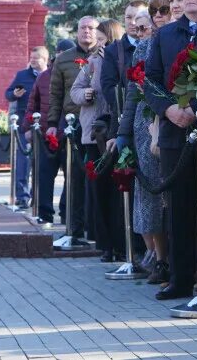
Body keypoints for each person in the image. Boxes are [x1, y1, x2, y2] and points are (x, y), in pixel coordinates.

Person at [144, 0, 197, 301]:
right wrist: (170, 110)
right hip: (176, 133)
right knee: (180, 209)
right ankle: (181, 277)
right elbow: (151, 80)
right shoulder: (164, 35)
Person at [116, 10, 169, 283]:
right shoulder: (143, 49)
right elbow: (133, 94)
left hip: (176, 120)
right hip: (145, 125)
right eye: (156, 12)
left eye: (167, 9)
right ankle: (159, 259)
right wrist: (123, 131)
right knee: (150, 195)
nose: (161, 16)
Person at [71, 26, 123, 261]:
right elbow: (75, 91)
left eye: (103, 39)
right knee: (98, 191)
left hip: (115, 131)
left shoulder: (121, 57)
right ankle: (106, 246)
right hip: (94, 134)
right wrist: (86, 94)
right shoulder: (91, 63)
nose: (99, 44)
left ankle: (123, 244)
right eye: (97, 40)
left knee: (117, 190)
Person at [47, 16, 100, 243]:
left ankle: (97, 231)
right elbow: (56, 94)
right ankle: (75, 229)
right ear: (77, 31)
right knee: (75, 179)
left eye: (91, 28)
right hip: (74, 125)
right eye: (82, 28)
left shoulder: (104, 56)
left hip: (99, 126)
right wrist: (51, 124)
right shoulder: (64, 59)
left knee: (98, 180)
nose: (86, 32)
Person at [27, 39, 75, 223]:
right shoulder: (44, 76)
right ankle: (45, 214)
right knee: (45, 176)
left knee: (71, 178)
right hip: (48, 134)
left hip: (70, 135)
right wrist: (28, 128)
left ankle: (66, 213)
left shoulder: (79, 71)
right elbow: (33, 104)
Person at [5, 46, 49, 208]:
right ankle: (22, 197)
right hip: (26, 124)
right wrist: (13, 95)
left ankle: (38, 196)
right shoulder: (22, 75)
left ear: (44, 59)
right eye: (31, 58)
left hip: (45, 124)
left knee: (42, 163)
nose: (32, 60)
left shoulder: (51, 75)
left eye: (36, 58)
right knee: (23, 162)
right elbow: (8, 93)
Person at [102, 1, 148, 126]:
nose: (133, 22)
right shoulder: (113, 50)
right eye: (129, 17)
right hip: (124, 118)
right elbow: (108, 87)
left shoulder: (156, 45)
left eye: (137, 17)